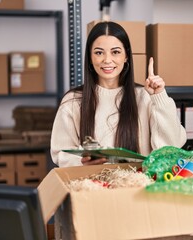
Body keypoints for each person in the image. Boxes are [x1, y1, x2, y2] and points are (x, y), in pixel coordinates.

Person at [50, 21, 186, 167]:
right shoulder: (73, 101)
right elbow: (60, 153)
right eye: (99, 52)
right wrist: (82, 162)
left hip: (138, 185)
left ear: (126, 56)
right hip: (92, 185)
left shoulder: (145, 97)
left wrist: (159, 97)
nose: (107, 60)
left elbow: (170, 148)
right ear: (90, 57)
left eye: (115, 52)